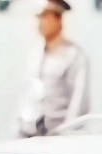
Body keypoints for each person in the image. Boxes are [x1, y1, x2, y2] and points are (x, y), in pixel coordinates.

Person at [17, 0, 90, 137]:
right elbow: (27, 94)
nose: (40, 23)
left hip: (57, 134)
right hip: (29, 132)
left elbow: (79, 102)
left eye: (45, 17)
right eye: (39, 17)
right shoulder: (35, 53)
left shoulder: (74, 55)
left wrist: (68, 135)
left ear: (58, 19)